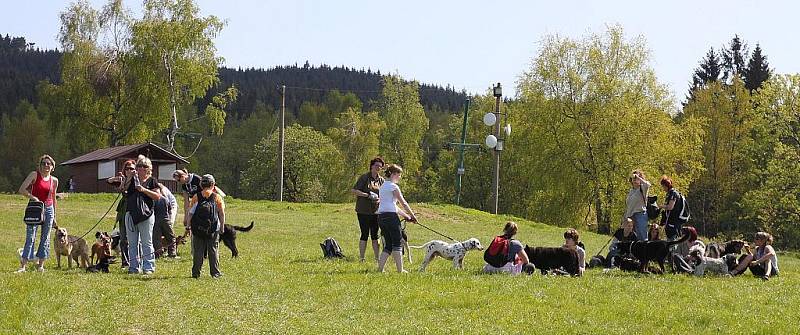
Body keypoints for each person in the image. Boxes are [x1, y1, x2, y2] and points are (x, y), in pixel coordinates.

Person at [16, 155, 59, 273]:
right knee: (31, 236)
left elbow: (54, 198)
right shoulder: (34, 175)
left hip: (49, 209)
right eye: (43, 163)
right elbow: (22, 189)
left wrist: (54, 216)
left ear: (52, 167)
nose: (46, 165)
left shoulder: (54, 180)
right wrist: (33, 197)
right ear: (40, 166)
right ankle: (23, 266)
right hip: (35, 208)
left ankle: (40, 265)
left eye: (48, 164)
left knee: (45, 237)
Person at [123, 155, 161, 275]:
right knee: (132, 243)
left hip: (146, 215)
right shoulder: (132, 179)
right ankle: (133, 267)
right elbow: (123, 190)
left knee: (147, 242)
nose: (141, 168)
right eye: (139, 166)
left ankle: (148, 267)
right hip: (131, 214)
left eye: (144, 166)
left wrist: (143, 190)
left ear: (148, 168)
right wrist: (129, 177)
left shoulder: (152, 181)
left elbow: (157, 196)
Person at [376, 164, 417, 273]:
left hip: (381, 217)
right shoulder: (394, 187)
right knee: (397, 243)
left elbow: (392, 205)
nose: (399, 177)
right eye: (399, 175)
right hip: (391, 218)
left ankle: (380, 269)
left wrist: (406, 216)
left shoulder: (383, 186)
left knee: (388, 245)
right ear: (393, 174)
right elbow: (403, 202)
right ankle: (400, 270)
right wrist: (413, 216)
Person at [185, 174, 225, 278]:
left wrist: (188, 227)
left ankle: (196, 273)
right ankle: (215, 273)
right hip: (213, 228)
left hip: (197, 229)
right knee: (213, 250)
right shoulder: (217, 197)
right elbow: (221, 213)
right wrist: (222, 227)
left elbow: (190, 213)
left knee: (198, 251)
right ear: (213, 185)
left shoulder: (196, 197)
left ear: (201, 185)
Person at [350, 157, 385, 262]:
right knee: (364, 234)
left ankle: (377, 258)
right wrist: (367, 195)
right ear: (371, 166)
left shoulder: (381, 180)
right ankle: (362, 258)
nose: (378, 168)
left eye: (380, 166)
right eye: (376, 166)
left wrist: (379, 200)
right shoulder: (364, 178)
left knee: (375, 235)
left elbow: (384, 194)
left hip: (376, 211)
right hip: (363, 211)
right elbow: (354, 190)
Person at [106, 159, 137, 268]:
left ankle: (135, 260)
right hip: (123, 209)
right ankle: (125, 261)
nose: (129, 170)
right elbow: (108, 181)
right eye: (127, 168)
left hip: (134, 209)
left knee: (133, 237)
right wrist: (117, 179)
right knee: (123, 238)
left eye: (132, 168)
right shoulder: (122, 179)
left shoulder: (136, 180)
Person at [623, 169, 651, 241]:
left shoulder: (642, 188)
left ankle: (644, 251)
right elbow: (629, 205)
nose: (635, 180)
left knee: (642, 236)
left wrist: (638, 177)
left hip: (640, 215)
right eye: (633, 179)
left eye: (636, 179)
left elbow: (648, 185)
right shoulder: (631, 191)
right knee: (631, 236)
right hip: (630, 216)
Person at [153, 183, 179, 258]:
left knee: (156, 238)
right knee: (171, 237)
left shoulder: (152, 199)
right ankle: (172, 253)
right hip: (165, 219)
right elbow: (170, 209)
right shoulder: (165, 199)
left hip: (156, 220)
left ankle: (157, 254)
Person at [657, 175, 684, 240]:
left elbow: (670, 207)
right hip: (670, 221)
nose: (663, 188)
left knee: (673, 240)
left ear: (666, 185)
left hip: (674, 222)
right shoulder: (669, 193)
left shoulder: (673, 193)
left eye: (663, 186)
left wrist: (661, 206)